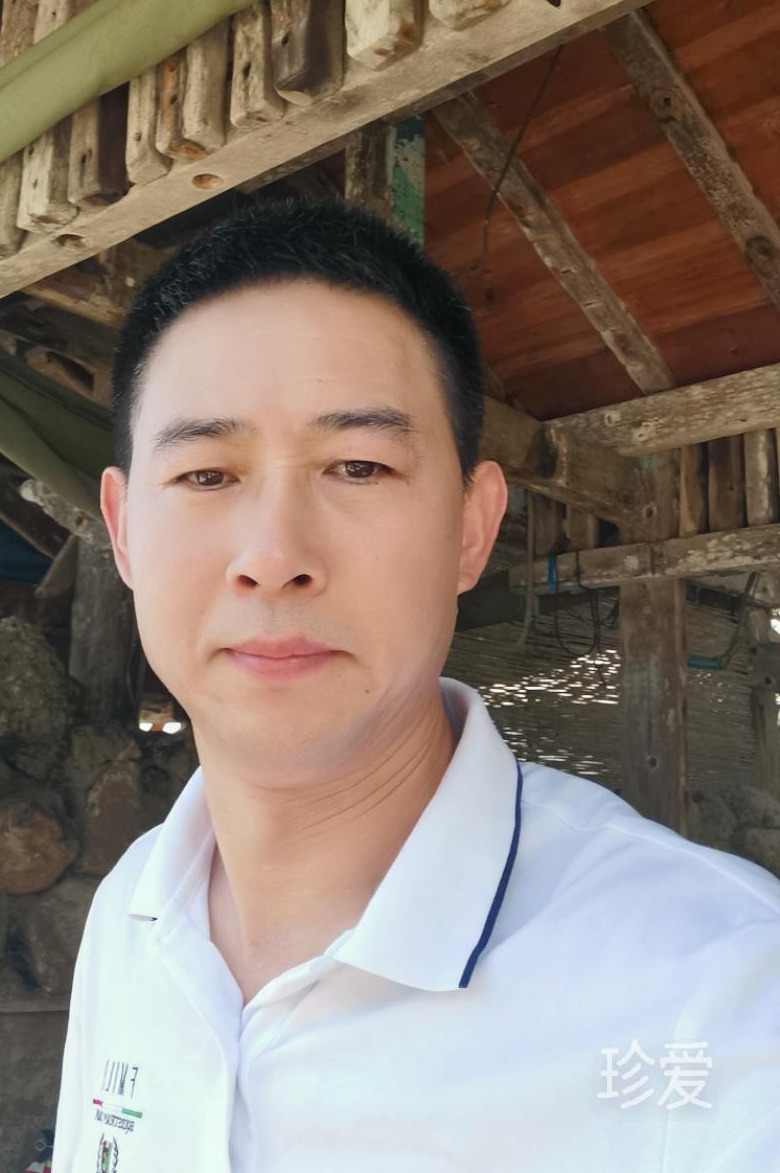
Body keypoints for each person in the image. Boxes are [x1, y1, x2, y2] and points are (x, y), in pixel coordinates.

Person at [49, 198, 780, 1172]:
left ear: (471, 529)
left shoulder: (723, 998)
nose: (273, 557)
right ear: (123, 529)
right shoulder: (131, 913)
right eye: (206, 474)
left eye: (358, 466)